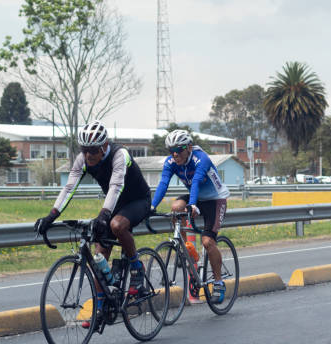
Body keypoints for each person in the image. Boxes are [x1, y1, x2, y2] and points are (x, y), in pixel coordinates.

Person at [34, 120, 151, 328]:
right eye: (84, 150)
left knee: (116, 225)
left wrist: (104, 215)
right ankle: (100, 309)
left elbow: (116, 186)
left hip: (137, 200)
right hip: (114, 205)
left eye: (93, 151)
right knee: (98, 255)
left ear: (104, 146)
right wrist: (51, 216)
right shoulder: (83, 160)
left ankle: (136, 266)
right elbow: (69, 187)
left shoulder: (119, 155)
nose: (89, 155)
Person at [150, 129, 230, 303]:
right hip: (198, 198)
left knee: (208, 242)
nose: (175, 154)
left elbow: (195, 182)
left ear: (189, 148)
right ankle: (186, 249)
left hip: (216, 199)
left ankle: (218, 283)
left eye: (179, 150)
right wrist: (151, 206)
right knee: (176, 207)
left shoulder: (202, 159)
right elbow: (163, 183)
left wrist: (193, 203)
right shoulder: (171, 161)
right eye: (171, 150)